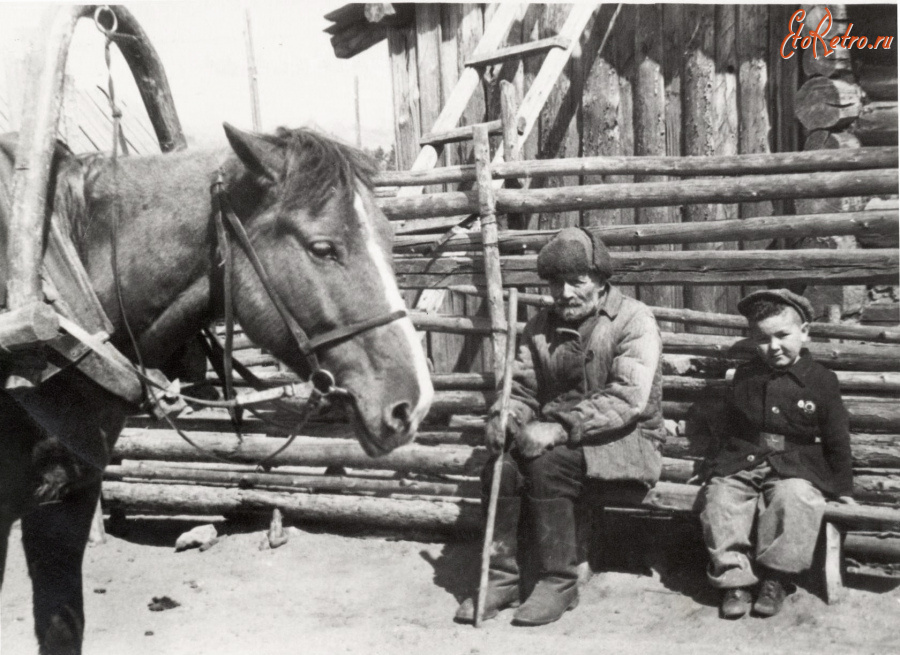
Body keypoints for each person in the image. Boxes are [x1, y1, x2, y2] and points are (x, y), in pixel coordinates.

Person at [454, 227, 666, 626]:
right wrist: (507, 416)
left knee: (547, 464)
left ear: (602, 282)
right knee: (500, 467)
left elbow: (627, 399)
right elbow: (521, 388)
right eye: (555, 284)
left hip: (626, 438)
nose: (564, 293)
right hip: (563, 438)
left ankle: (559, 582)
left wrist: (557, 429)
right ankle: (501, 579)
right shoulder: (540, 326)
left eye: (577, 282)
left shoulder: (634, 320)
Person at [699, 289, 854, 620]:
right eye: (763, 339)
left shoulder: (821, 381)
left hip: (796, 466)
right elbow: (728, 428)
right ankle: (734, 581)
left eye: (783, 335)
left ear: (805, 332)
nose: (774, 347)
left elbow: (837, 437)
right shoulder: (746, 376)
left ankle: (776, 578)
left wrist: (842, 488)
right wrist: (713, 469)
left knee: (796, 499)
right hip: (745, 460)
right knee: (721, 499)